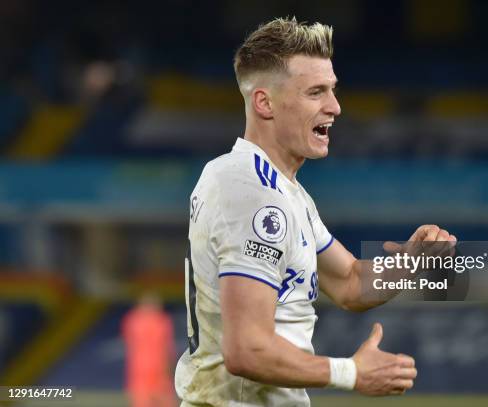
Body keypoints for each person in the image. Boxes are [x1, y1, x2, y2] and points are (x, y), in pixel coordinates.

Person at [175, 17, 456, 406]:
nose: (335, 107)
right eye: (315, 92)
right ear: (265, 102)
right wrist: (351, 373)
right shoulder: (252, 193)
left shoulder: (282, 191)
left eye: (333, 91)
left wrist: (410, 264)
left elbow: (351, 283)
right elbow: (246, 350)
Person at [122, 293, 176, 407]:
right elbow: (168, 346)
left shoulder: (133, 319)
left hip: (146, 368)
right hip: (148, 368)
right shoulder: (162, 320)